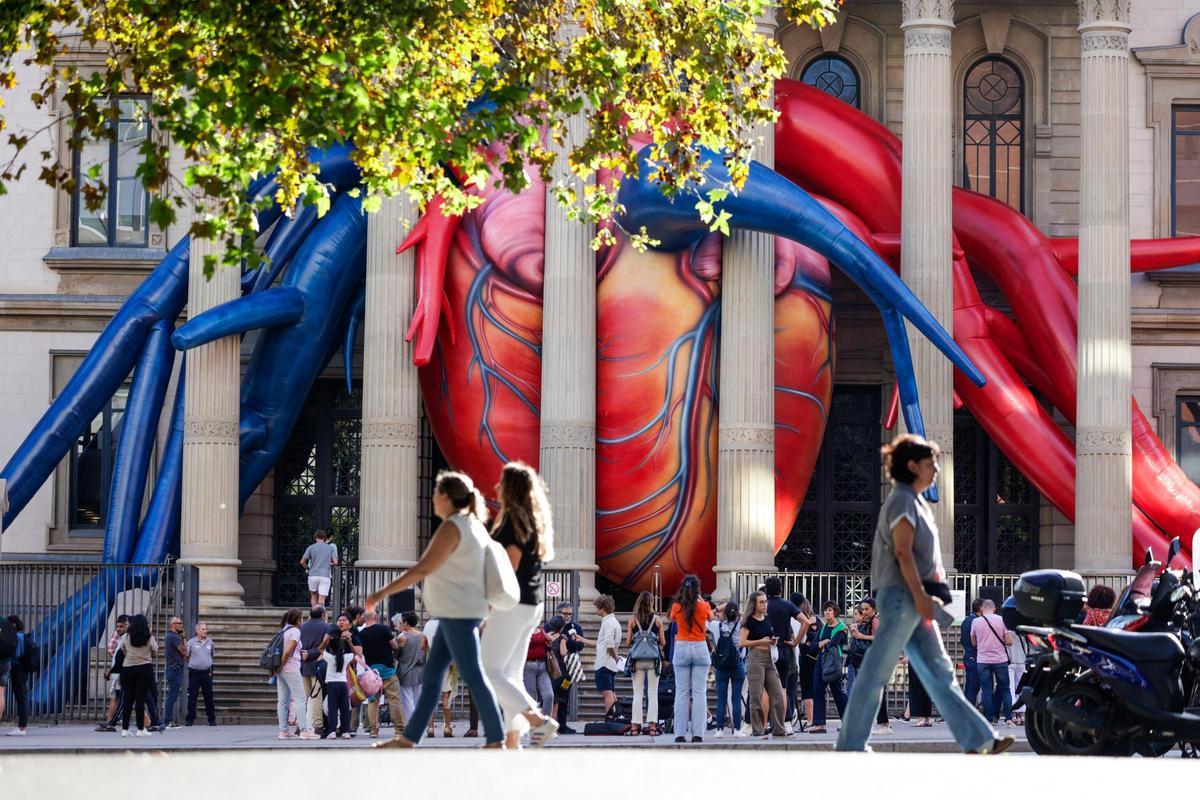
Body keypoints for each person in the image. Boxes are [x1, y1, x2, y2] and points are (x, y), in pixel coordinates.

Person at [836, 434, 1011, 754]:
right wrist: (919, 596)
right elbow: (903, 552)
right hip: (903, 597)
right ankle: (850, 744)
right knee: (877, 672)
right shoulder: (903, 500)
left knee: (936, 671)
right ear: (913, 465)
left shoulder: (913, 500)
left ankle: (979, 739)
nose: (937, 470)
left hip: (908, 597)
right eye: (932, 464)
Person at [366, 470, 506, 748]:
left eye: (436, 494)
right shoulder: (473, 525)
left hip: (458, 613)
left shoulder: (454, 526)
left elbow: (424, 566)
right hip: (458, 613)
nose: (433, 500)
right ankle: (408, 739)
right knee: (432, 678)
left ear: (446, 497)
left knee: (474, 675)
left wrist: (383, 591)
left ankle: (497, 738)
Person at [479, 461, 560, 749]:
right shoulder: (532, 522)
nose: (496, 487)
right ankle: (513, 743)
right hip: (530, 606)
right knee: (510, 675)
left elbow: (508, 571)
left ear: (511, 489)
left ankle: (539, 721)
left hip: (513, 605)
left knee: (489, 671)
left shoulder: (512, 523)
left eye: (502, 482)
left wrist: (488, 608)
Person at [668, 574, 712, 743]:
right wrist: (699, 598)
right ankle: (698, 733)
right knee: (700, 693)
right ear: (698, 589)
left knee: (681, 692)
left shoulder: (677, 606)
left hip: (682, 646)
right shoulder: (704, 606)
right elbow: (711, 618)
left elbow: (672, 619)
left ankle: (679, 733)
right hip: (699, 646)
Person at [740, 591, 787, 737]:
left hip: (769, 657)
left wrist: (772, 641)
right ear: (754, 604)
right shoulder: (749, 621)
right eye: (761, 602)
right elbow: (742, 642)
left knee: (778, 694)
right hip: (755, 657)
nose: (764, 604)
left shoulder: (767, 618)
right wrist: (761, 641)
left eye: (765, 601)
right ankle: (758, 729)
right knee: (756, 695)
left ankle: (779, 729)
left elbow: (768, 635)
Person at [763, 577, 806, 733]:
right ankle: (786, 723)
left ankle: (766, 723)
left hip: (767, 649)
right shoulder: (787, 605)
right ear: (780, 589)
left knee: (766, 688)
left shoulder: (763, 605)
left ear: (766, 590)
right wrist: (795, 642)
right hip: (785, 649)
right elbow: (806, 622)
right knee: (783, 689)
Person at [846, 598, 891, 734]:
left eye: (867, 609)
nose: (864, 611)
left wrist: (861, 636)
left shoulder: (875, 620)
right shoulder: (868, 620)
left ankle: (884, 724)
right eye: (863, 609)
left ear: (874, 609)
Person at [358, 609, 405, 740]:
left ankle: (373, 730)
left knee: (373, 702)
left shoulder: (361, 634)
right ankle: (399, 730)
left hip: (372, 672)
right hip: (388, 670)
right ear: (375, 617)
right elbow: (394, 646)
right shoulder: (383, 629)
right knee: (394, 700)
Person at [625, 590, 666, 736]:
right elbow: (663, 642)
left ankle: (635, 727)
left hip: (636, 661)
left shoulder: (632, 619)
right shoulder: (657, 619)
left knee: (637, 693)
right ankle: (652, 727)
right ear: (651, 603)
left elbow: (628, 642)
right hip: (653, 661)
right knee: (653, 693)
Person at [274, 609, 318, 740]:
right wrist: (282, 664)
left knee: (283, 700)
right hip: (291, 669)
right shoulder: (295, 631)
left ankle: (283, 731)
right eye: (302, 618)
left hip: (282, 670)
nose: (303, 620)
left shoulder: (284, 630)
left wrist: (278, 667)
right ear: (298, 620)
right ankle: (304, 730)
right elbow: (287, 652)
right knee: (300, 699)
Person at [970, 599, 1014, 727]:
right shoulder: (1002, 620)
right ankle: (1008, 718)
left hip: (983, 661)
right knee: (1005, 689)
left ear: (982, 609)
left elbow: (973, 642)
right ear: (994, 609)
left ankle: (989, 719)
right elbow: (1009, 641)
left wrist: (984, 643)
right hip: (1000, 660)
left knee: (986, 690)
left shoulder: (976, 622)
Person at [809, 602, 848, 734]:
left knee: (837, 691)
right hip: (821, 660)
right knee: (817, 690)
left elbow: (834, 643)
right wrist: (822, 643)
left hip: (834, 661)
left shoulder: (842, 628)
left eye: (829, 610)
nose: (826, 612)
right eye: (825, 610)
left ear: (835, 612)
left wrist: (823, 643)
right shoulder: (824, 627)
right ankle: (819, 724)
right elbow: (813, 646)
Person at [709, 600, 746, 738]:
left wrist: (719, 608)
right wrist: (735, 611)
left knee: (721, 699)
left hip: (721, 665)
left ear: (724, 613)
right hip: (737, 664)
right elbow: (746, 615)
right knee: (736, 698)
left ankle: (719, 730)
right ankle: (737, 729)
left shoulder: (717, 626)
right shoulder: (741, 625)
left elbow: (708, 616)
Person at [119, 614, 158, 737]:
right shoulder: (148, 637)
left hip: (127, 669)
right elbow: (155, 650)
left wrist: (131, 656)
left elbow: (123, 649)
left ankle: (125, 730)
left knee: (127, 700)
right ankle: (140, 729)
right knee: (140, 700)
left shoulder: (127, 637)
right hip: (144, 668)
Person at [299, 605, 331, 736]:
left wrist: (304, 654)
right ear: (323, 614)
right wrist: (312, 653)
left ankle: (300, 725)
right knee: (317, 696)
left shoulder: (302, 627)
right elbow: (325, 645)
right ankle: (318, 726)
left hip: (303, 665)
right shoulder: (326, 627)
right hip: (317, 664)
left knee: (302, 698)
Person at [95, 614, 130, 732]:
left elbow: (122, 658)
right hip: (118, 673)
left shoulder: (126, 639)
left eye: (121, 626)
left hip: (122, 673)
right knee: (116, 698)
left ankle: (149, 722)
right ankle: (111, 722)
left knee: (127, 698)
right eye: (117, 627)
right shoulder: (122, 638)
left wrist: (115, 672)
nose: (118, 629)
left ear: (127, 625)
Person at [321, 622, 355, 739]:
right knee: (345, 708)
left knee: (333, 708)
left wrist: (326, 641)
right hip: (343, 684)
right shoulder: (346, 657)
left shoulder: (330, 657)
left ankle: (332, 731)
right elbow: (356, 655)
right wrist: (349, 642)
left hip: (332, 684)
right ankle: (346, 731)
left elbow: (319, 650)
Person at [393, 612, 425, 728]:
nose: (400, 624)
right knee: (418, 698)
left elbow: (397, 655)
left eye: (401, 622)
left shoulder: (402, 637)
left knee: (407, 700)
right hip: (420, 669)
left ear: (406, 623)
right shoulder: (422, 635)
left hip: (405, 670)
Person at [592, 594, 621, 720]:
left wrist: (615, 657)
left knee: (607, 693)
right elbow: (603, 643)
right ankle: (615, 716)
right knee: (611, 692)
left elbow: (609, 643)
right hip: (610, 664)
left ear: (602, 609)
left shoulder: (608, 623)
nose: (596, 610)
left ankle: (610, 718)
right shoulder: (614, 622)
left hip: (604, 663)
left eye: (597, 607)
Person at [185, 621, 217, 727]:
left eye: (206, 629)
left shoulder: (210, 642)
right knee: (192, 697)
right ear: (197, 631)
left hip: (206, 672)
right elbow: (187, 656)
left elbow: (212, 655)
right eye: (203, 629)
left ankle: (211, 719)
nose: (205, 631)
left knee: (209, 696)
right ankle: (190, 719)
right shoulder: (191, 642)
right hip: (194, 673)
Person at [794, 595, 818, 731]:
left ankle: (810, 720)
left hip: (805, 656)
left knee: (807, 690)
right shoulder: (818, 620)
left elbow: (801, 641)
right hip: (816, 657)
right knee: (815, 689)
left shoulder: (801, 621)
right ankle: (817, 718)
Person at [523, 622, 554, 721]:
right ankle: (532, 724)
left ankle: (545, 725)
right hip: (528, 666)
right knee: (532, 698)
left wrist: (549, 640)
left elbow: (550, 641)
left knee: (549, 696)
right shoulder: (523, 628)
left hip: (543, 665)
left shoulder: (541, 628)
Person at [4, 615, 30, 736]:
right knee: (21, 697)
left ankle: (22, 727)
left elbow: (17, 654)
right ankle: (22, 726)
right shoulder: (21, 636)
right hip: (21, 669)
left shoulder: (17, 637)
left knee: (21, 697)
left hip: (18, 668)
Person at [300, 528, 339, 607]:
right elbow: (335, 562)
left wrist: (308, 568)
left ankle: (313, 615)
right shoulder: (330, 548)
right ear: (325, 537)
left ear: (315, 537)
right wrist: (329, 564)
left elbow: (302, 562)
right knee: (322, 600)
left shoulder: (311, 547)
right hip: (325, 576)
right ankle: (321, 616)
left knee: (313, 596)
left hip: (313, 575)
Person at [163, 617, 187, 730]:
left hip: (174, 668)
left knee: (172, 695)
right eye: (179, 623)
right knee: (172, 696)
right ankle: (167, 721)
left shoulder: (173, 636)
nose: (181, 625)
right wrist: (184, 638)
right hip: (175, 668)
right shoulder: (173, 636)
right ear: (173, 624)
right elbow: (184, 652)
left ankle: (168, 720)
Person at [960, 598, 984, 709]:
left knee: (969, 685)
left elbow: (962, 640)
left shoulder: (966, 620)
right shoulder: (977, 621)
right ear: (980, 608)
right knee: (973, 687)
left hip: (968, 655)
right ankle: (970, 711)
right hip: (975, 655)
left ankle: (965, 710)